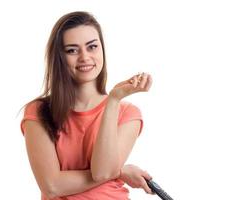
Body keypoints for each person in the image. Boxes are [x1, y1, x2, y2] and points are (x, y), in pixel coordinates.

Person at [20, 11, 153, 200]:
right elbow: (51, 186)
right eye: (72, 50)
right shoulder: (39, 111)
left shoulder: (127, 113)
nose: (84, 57)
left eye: (92, 47)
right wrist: (120, 171)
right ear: (59, 57)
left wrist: (113, 100)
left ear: (102, 50)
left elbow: (103, 172)